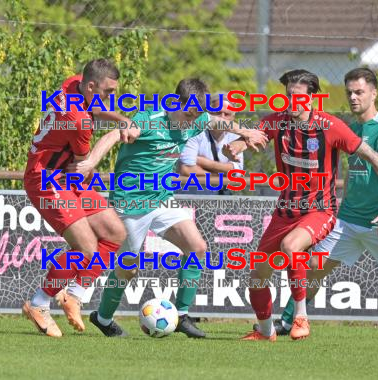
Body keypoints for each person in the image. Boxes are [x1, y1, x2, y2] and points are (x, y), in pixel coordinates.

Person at [223, 69, 378, 342]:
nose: (292, 101)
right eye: (289, 95)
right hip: (285, 211)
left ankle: (301, 317)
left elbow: (375, 157)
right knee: (257, 278)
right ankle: (265, 332)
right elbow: (251, 137)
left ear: (312, 98)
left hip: (319, 210)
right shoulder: (278, 121)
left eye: (299, 96)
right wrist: (235, 146)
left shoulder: (331, 126)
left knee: (292, 247)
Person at [66, 78, 267, 338]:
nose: (191, 122)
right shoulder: (150, 120)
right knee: (128, 268)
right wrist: (91, 161)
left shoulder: (197, 118)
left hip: (162, 199)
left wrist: (246, 132)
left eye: (196, 116)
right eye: (187, 115)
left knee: (197, 247)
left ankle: (181, 314)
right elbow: (113, 134)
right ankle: (103, 318)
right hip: (131, 203)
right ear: (176, 103)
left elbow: (219, 122)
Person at [268, 68, 378, 340]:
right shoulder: (351, 128)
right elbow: (351, 171)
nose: (353, 97)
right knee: (315, 266)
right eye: (349, 92)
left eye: (359, 92)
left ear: (374, 94)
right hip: (349, 218)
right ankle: (289, 320)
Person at [22, 58, 140, 338]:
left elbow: (97, 108)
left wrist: (124, 120)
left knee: (114, 232)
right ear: (90, 85)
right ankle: (38, 304)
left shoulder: (73, 83)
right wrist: (114, 139)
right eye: (109, 92)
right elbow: (83, 164)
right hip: (46, 178)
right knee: (86, 248)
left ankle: (74, 295)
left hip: (64, 175)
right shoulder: (78, 122)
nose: (112, 98)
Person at [178, 93, 244, 196]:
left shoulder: (235, 137)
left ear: (233, 117)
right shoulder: (194, 131)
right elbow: (186, 169)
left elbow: (237, 172)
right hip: (193, 195)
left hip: (222, 197)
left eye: (226, 114)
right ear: (208, 114)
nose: (222, 118)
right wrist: (220, 176)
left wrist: (201, 161)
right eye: (218, 113)